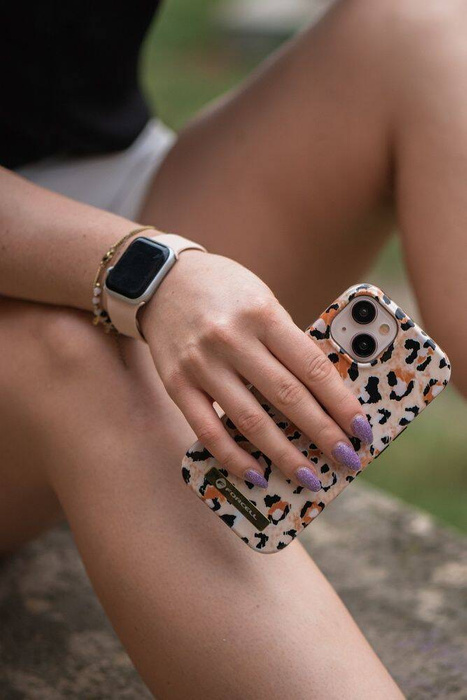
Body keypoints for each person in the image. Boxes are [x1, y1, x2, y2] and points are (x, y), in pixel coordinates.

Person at [1, 0, 465, 697]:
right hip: (65, 266)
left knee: (418, 25)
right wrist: (152, 275)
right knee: (96, 363)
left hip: (114, 192)